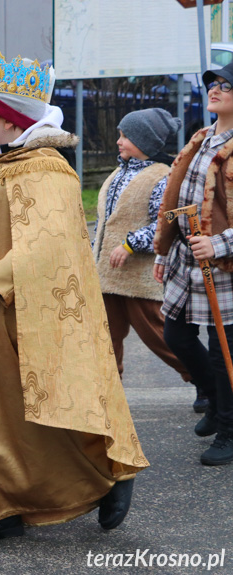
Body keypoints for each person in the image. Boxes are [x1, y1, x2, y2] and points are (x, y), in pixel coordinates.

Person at [0, 53, 148, 544]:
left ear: (11, 118)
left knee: (46, 409)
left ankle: (105, 476)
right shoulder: (1, 167)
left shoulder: (45, 170)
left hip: (27, 314)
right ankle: (1, 505)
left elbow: (51, 246)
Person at [155, 61, 233, 466]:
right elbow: (178, 199)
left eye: (225, 85)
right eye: (213, 84)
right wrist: (165, 248)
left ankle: (228, 428)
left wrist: (219, 244)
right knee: (177, 334)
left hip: (224, 264)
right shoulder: (203, 138)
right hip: (187, 256)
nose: (215, 90)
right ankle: (217, 400)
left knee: (225, 352)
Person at [92, 109, 196, 406]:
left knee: (162, 338)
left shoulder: (160, 175)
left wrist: (129, 244)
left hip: (137, 278)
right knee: (104, 340)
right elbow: (104, 223)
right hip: (106, 276)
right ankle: (108, 399)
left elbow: (163, 223)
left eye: (125, 136)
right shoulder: (117, 174)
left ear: (144, 141)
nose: (118, 141)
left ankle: (205, 383)